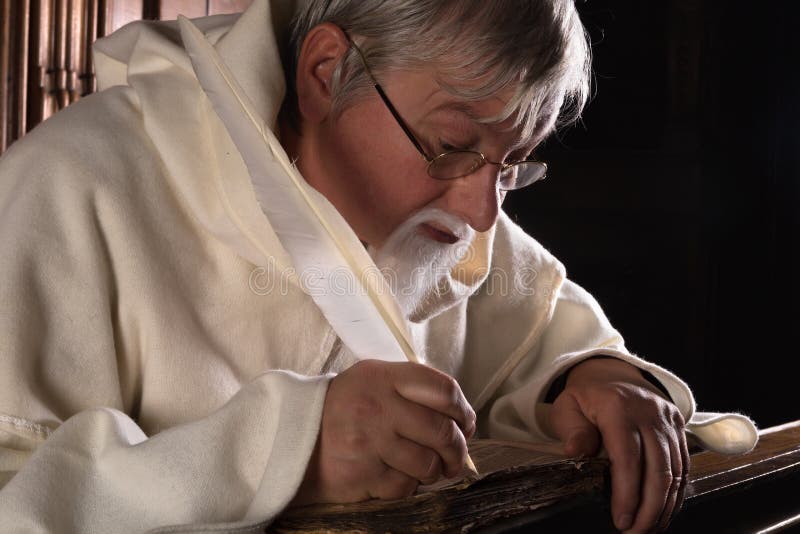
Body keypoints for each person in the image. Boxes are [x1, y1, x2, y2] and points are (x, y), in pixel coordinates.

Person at [0, 0, 756, 532]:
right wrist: (284, 455)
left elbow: (542, 334)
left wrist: (594, 377)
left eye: (513, 163)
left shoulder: (449, 210)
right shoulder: (70, 189)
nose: (481, 212)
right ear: (327, 72)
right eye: (453, 145)